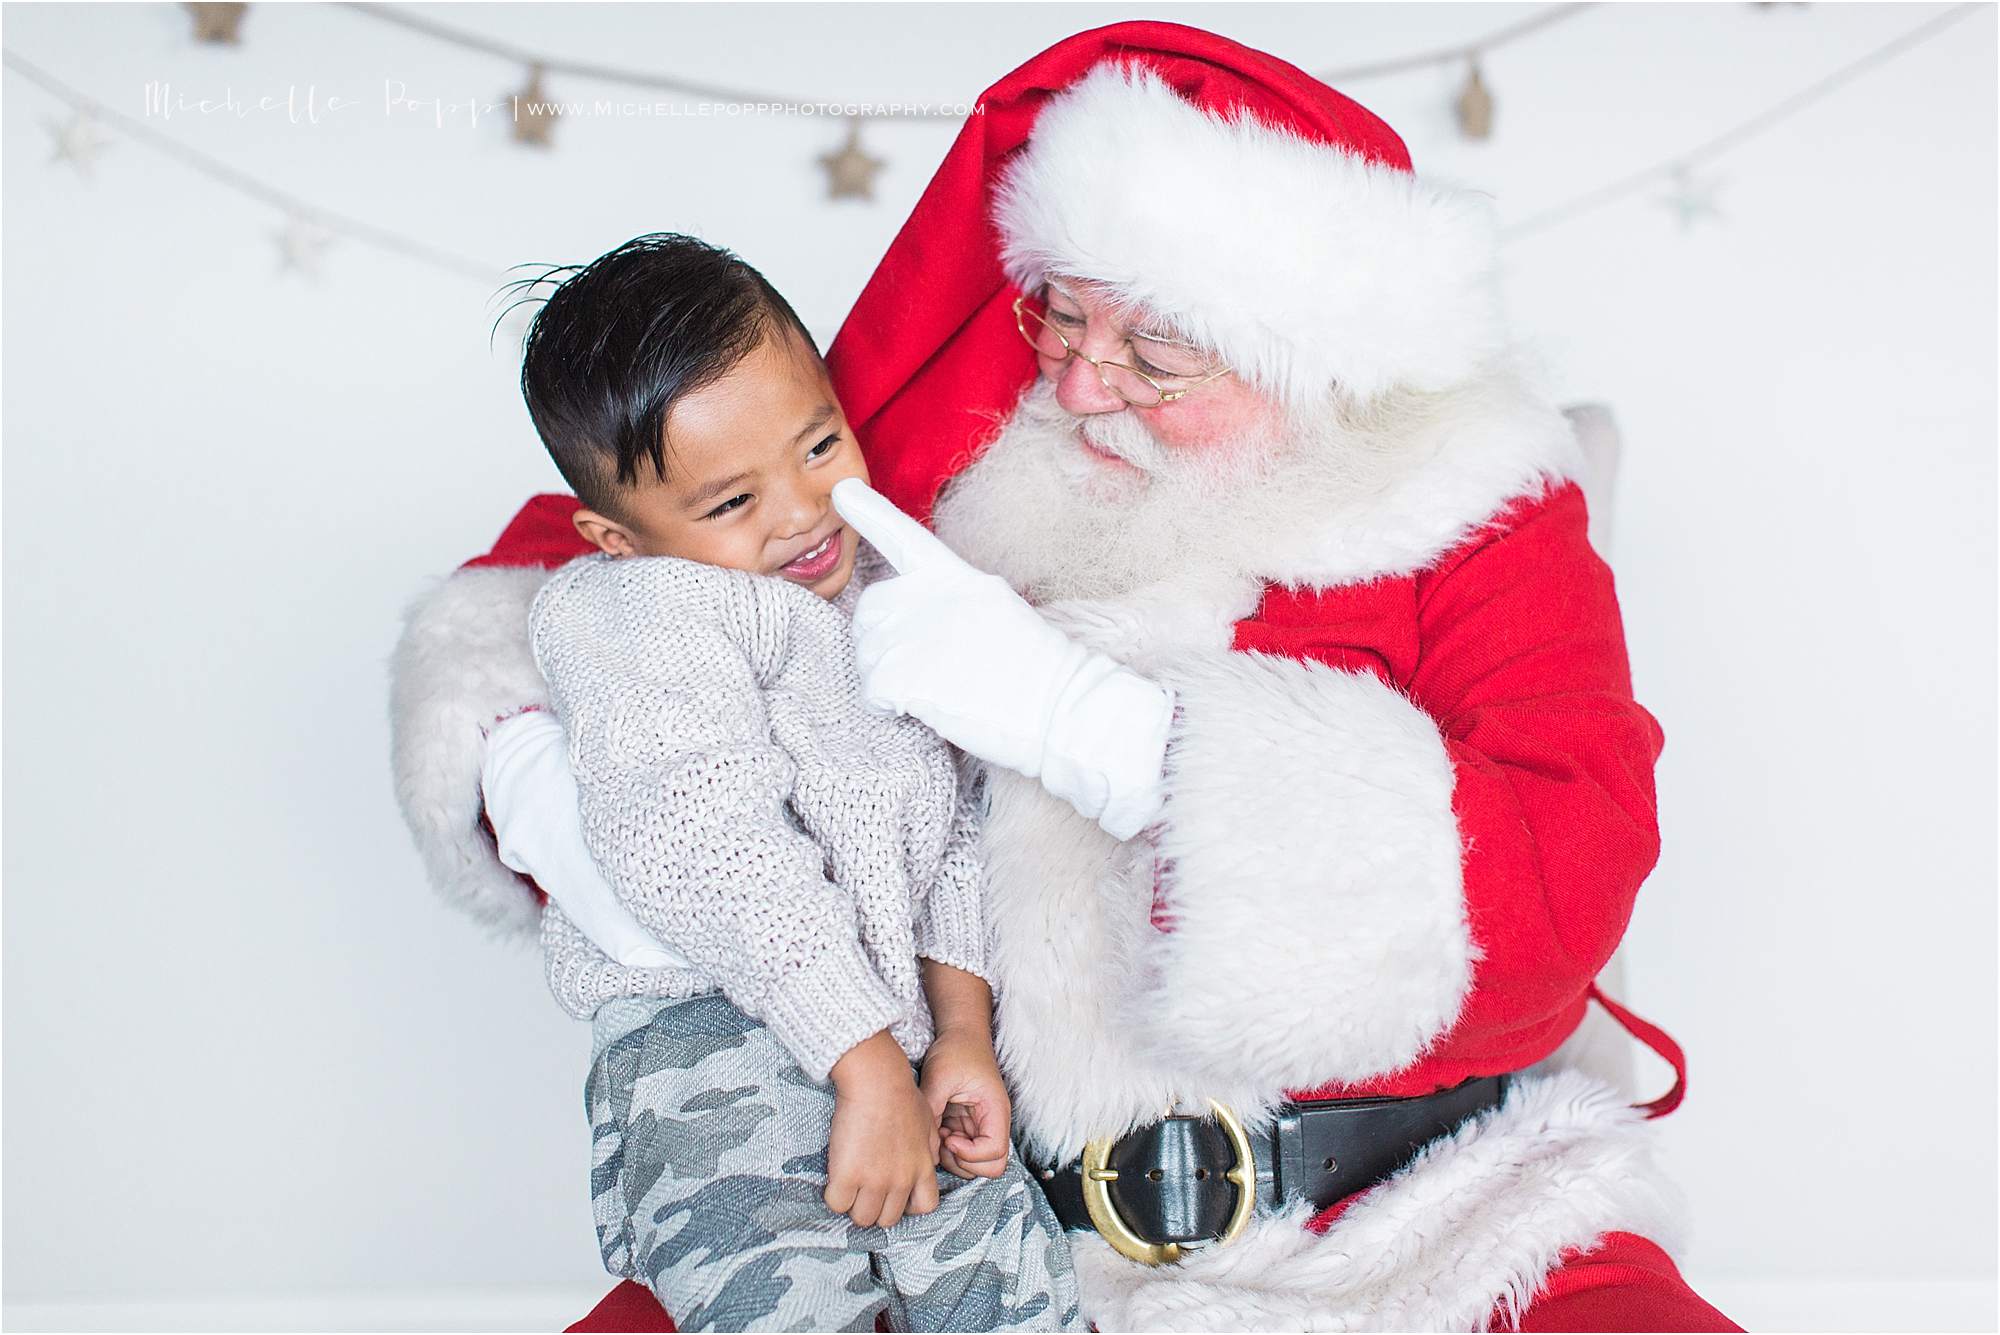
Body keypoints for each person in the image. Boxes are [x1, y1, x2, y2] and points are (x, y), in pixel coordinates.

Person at [389, 22, 1741, 1333]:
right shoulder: (935, 450)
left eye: (1157, 353)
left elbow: (1562, 873)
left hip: (1416, 1224)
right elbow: (582, 549)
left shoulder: (1469, 504)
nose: (1085, 384)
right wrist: (547, 794)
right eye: (1058, 312)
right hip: (970, 1218)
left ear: (1313, 356)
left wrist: (1086, 726)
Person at [489, 233, 1083, 1332]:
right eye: (730, 503)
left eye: (819, 444)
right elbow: (699, 840)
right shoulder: (637, 615)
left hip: (896, 1040)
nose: (803, 511)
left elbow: (951, 829)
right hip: (718, 1052)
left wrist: (957, 1032)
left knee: (1014, 1298)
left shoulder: (885, 599)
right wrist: (859, 1068)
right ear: (615, 538)